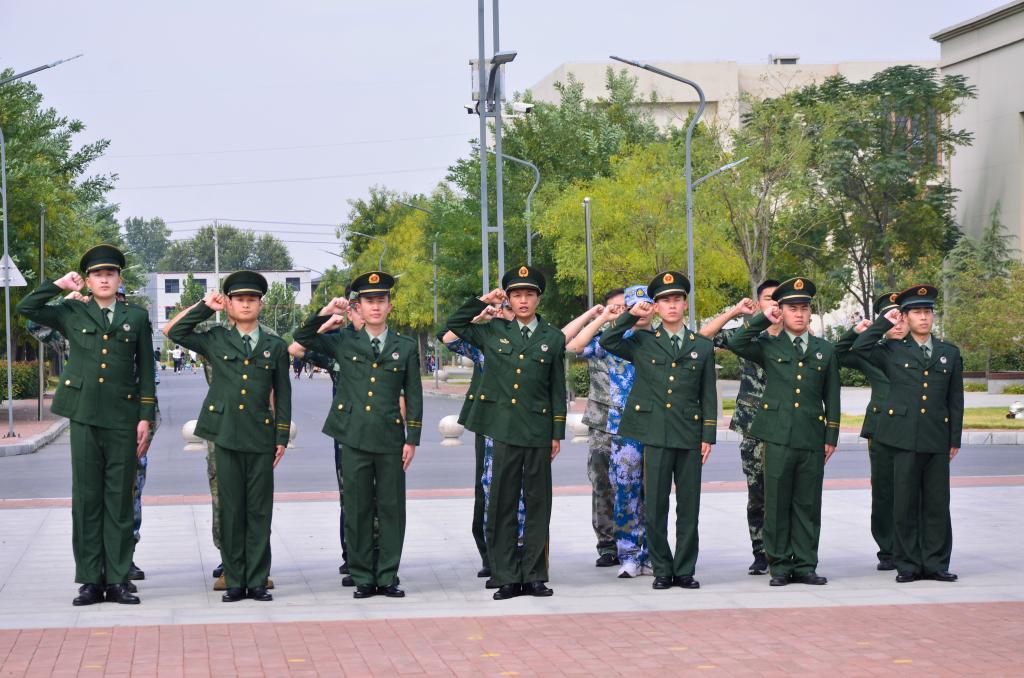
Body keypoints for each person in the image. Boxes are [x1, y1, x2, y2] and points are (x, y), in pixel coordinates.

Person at [17, 244, 156, 606]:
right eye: (97, 275)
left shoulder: (137, 317)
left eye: (110, 274)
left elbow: (146, 369)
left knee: (120, 500)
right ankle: (91, 580)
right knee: (87, 498)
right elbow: (26, 309)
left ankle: (119, 579)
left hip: (123, 417)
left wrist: (145, 417)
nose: (104, 279)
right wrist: (58, 285)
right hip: (83, 415)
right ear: (88, 281)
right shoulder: (72, 311)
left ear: (119, 279)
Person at [294, 271, 422, 599]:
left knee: (392, 508)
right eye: (369, 301)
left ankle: (388, 575)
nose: (375, 307)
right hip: (353, 437)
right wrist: (327, 310)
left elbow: (414, 393)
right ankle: (363, 575)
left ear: (390, 306)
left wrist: (412, 438)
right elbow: (302, 337)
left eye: (381, 300)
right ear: (358, 307)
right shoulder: (343, 341)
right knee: (357, 507)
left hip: (390, 438)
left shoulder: (405, 347)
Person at [168, 271, 291, 602]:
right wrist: (205, 306)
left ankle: (258, 579)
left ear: (261, 305)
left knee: (259, 510)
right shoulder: (216, 338)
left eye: (252, 299)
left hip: (260, 434)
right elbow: (175, 332)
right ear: (230, 304)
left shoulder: (275, 346)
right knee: (232, 509)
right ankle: (235, 580)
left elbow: (283, 394)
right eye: (239, 299)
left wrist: (281, 436)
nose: (246, 304)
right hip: (223, 433)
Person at [446, 265, 567, 600]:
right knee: (502, 503)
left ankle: (535, 574)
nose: (523, 300)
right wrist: (483, 301)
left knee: (538, 503)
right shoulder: (493, 331)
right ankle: (506, 575)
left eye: (529, 294)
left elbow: (557, 389)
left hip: (538, 428)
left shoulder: (553, 337)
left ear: (538, 298)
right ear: (509, 300)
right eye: (516, 295)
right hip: (502, 427)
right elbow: (454, 325)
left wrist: (556, 432)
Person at [601, 273, 716, 590]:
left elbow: (708, 394)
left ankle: (685, 569)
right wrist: (631, 314)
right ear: (656, 306)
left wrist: (707, 436)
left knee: (689, 506)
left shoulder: (701, 346)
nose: (672, 306)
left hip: (689, 434)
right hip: (655, 433)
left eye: (677, 299)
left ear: (685, 304)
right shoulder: (643, 342)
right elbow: (608, 341)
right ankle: (662, 568)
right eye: (665, 301)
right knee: (655, 505)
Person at [728, 277, 840, 587]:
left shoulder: (824, 350)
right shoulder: (768, 344)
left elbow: (832, 396)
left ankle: (805, 564)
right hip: (776, 434)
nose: (799, 314)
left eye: (804, 308)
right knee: (776, 502)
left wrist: (831, 436)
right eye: (792, 309)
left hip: (810, 435)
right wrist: (764, 318)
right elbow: (737, 342)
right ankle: (779, 565)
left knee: (807, 503)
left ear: (810, 312)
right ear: (782, 311)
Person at [851, 285, 963, 584]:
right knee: (904, 503)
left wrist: (954, 439)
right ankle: (908, 564)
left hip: (936, 437)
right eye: (917, 312)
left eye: (928, 312)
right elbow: (860, 348)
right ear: (906, 317)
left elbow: (955, 400)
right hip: (902, 438)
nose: (924, 317)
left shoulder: (949, 353)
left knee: (937, 504)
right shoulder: (892, 350)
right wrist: (884, 322)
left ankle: (936, 563)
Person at [436, 300, 526, 588]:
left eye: (507, 308)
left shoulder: (533, 339)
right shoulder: (484, 340)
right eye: (501, 307)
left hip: (525, 425)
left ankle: (522, 554)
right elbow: (448, 336)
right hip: (490, 423)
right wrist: (481, 311)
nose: (502, 312)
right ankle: (492, 554)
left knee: (524, 489)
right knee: (489, 487)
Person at [568, 285, 652, 578]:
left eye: (646, 304)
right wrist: (602, 317)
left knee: (652, 492)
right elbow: (574, 346)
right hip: (614, 425)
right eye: (632, 306)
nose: (640, 310)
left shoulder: (659, 339)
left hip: (652, 425)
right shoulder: (610, 340)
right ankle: (618, 548)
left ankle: (650, 551)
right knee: (616, 487)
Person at [698, 280, 781, 575]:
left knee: (786, 492)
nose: (775, 304)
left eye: (780, 299)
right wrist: (735, 312)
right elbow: (702, 337)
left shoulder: (797, 336)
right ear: (758, 304)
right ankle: (760, 552)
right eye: (769, 298)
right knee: (757, 492)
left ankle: (784, 551)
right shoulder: (748, 334)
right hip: (753, 424)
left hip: (786, 425)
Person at [287, 290, 366, 583]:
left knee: (382, 497)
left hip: (381, 429)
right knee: (350, 495)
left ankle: (380, 559)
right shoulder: (337, 343)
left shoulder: (390, 343)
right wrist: (326, 319)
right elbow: (296, 347)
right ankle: (352, 556)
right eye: (356, 307)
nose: (363, 312)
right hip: (346, 431)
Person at [834, 292, 907, 571]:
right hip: (880, 428)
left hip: (913, 427)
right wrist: (858, 331)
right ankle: (887, 549)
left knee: (913, 489)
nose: (897, 324)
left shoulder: (922, 350)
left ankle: (911, 545)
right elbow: (838, 354)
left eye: (901, 317)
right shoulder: (872, 352)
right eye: (890, 318)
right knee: (884, 490)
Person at [568, 291, 623, 568]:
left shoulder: (644, 341)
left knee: (639, 486)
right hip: (602, 424)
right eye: (615, 307)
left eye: (625, 307)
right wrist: (598, 317)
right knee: (602, 484)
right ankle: (607, 545)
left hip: (637, 425)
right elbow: (572, 346)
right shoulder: (600, 342)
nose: (620, 311)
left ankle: (637, 543)